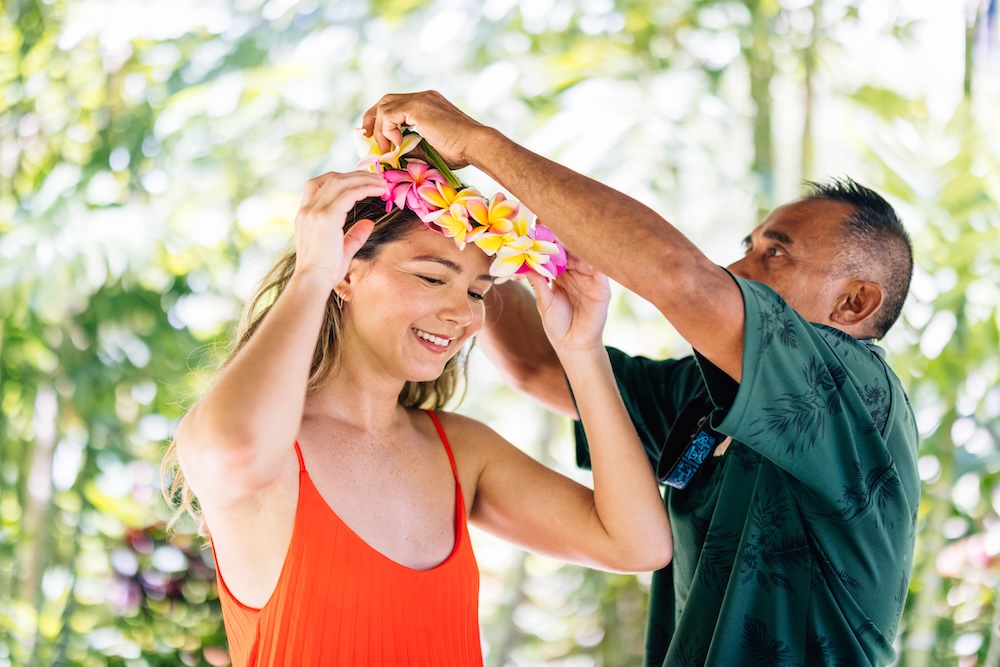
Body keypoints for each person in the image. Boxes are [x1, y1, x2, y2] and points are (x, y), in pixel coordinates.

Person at [362, 91, 920, 666]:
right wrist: (468, 220)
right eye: (748, 248)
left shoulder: (858, 393)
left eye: (775, 255)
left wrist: (477, 144)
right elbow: (541, 367)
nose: (738, 269)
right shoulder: (707, 397)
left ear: (854, 303)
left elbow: (683, 280)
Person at [161, 133, 673, 666]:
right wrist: (313, 272)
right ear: (348, 270)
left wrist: (582, 350)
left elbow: (637, 545)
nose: (463, 314)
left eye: (476, 292)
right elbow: (230, 448)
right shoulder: (271, 456)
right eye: (432, 278)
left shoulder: (461, 453)